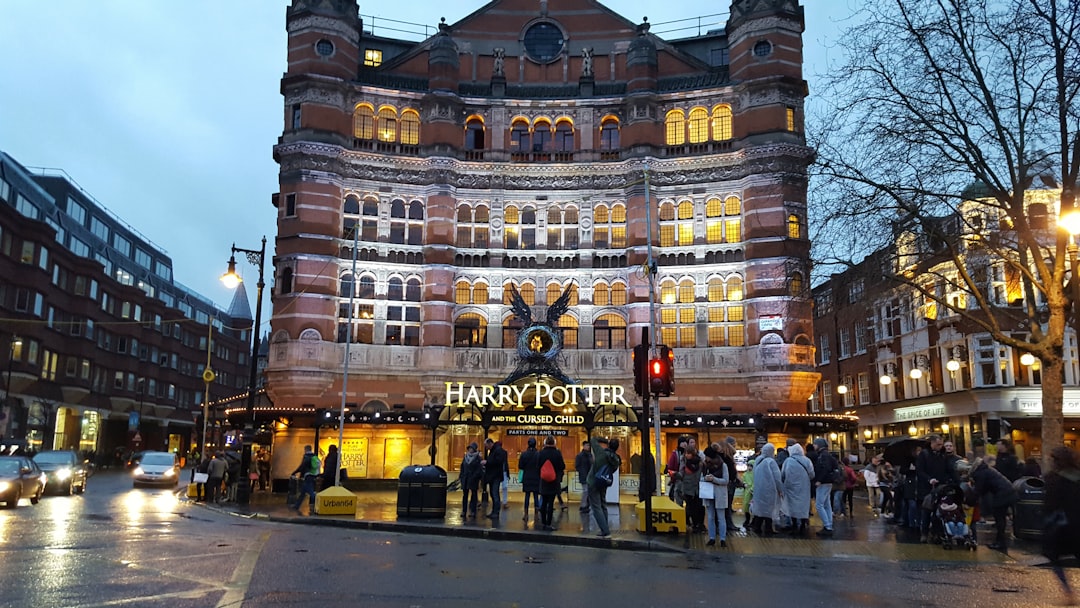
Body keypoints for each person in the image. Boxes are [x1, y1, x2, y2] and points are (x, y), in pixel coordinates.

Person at [1042, 447, 1080, 605]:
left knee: (1054, 557)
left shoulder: (1053, 479)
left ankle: (1068, 591)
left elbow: (1050, 504)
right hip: (1076, 524)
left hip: (1060, 526)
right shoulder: (1077, 476)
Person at [969, 456, 1017, 552]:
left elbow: (979, 490)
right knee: (1001, 518)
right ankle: (1000, 541)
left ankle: (1000, 542)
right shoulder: (985, 470)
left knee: (999, 518)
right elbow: (985, 489)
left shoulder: (980, 473)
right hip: (1008, 492)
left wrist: (970, 500)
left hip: (1002, 494)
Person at [916, 434, 955, 542]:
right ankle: (924, 533)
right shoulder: (924, 454)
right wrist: (929, 479)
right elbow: (920, 471)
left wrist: (950, 480)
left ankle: (936, 532)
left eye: (941, 444)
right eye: (938, 444)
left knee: (940, 511)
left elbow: (948, 470)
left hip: (940, 486)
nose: (940, 446)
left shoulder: (943, 455)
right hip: (926, 487)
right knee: (926, 511)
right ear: (932, 443)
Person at [587, 436, 621, 538]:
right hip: (604, 482)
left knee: (596, 507)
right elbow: (613, 470)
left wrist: (604, 440)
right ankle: (605, 527)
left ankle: (605, 530)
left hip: (593, 481)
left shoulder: (600, 452)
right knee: (603, 504)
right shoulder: (616, 459)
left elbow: (593, 439)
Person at [781, 442, 815, 536]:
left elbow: (782, 474)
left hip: (790, 487)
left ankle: (795, 525)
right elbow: (812, 474)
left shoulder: (788, 461)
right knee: (803, 506)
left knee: (792, 506)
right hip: (804, 487)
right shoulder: (807, 460)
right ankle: (803, 525)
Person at [749, 443, 782, 536]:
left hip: (758, 489)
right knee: (769, 508)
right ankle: (768, 528)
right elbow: (777, 477)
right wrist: (780, 489)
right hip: (770, 489)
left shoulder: (758, 460)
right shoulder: (771, 462)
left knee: (760, 508)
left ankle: (757, 527)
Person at [701, 444, 730, 547]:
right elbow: (701, 478)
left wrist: (714, 479)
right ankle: (712, 537)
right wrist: (706, 478)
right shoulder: (705, 465)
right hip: (708, 494)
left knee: (721, 517)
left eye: (707, 456)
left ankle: (722, 539)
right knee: (710, 517)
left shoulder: (723, 465)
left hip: (719, 494)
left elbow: (726, 480)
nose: (705, 458)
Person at [537, 436, 565, 531]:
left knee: (544, 503)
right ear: (554, 443)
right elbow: (562, 466)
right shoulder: (557, 453)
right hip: (554, 481)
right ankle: (549, 523)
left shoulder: (541, 453)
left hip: (544, 481)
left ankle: (543, 523)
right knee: (550, 503)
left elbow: (537, 466)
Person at [811, 437, 838, 537]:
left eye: (815, 444)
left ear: (819, 445)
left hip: (823, 482)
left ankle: (827, 526)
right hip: (828, 482)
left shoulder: (822, 456)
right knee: (826, 504)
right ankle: (829, 525)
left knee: (819, 505)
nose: (814, 446)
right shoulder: (827, 455)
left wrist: (819, 480)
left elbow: (824, 468)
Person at [679, 437, 705, 533]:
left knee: (698, 506)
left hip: (698, 487)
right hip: (688, 487)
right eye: (686, 453)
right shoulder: (684, 461)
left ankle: (698, 524)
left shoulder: (700, 462)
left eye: (689, 453)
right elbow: (681, 472)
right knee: (690, 506)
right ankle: (692, 523)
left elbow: (704, 471)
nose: (687, 455)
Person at [482, 438, 507, 519]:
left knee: (495, 493)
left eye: (486, 446)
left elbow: (497, 461)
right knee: (493, 494)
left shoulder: (498, 450)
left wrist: (487, 462)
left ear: (490, 444)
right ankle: (494, 511)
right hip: (493, 476)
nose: (486, 448)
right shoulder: (494, 450)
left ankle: (496, 512)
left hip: (495, 476)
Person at [290, 445, 320, 514]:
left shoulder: (306, 456)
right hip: (313, 475)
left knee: (310, 492)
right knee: (303, 492)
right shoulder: (314, 456)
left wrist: (295, 472)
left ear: (306, 449)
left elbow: (302, 466)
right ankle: (297, 505)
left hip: (308, 475)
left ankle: (317, 503)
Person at [518, 437, 541, 522]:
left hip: (527, 477)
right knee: (536, 496)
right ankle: (536, 514)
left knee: (527, 496)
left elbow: (520, 466)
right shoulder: (538, 454)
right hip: (536, 477)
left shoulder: (524, 454)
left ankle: (526, 514)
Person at [459, 442, 484, 518]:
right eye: (469, 448)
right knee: (465, 495)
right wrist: (462, 476)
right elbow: (462, 466)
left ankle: (473, 511)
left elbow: (479, 469)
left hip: (473, 479)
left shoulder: (478, 458)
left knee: (474, 495)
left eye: (472, 448)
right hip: (465, 478)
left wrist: (475, 476)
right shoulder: (465, 457)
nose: (470, 450)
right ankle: (464, 511)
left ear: (474, 449)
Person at [666, 436, 687, 504]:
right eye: (682, 442)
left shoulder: (688, 453)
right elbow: (670, 467)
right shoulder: (675, 454)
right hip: (678, 479)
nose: (684, 444)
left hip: (687, 479)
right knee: (678, 496)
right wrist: (675, 474)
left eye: (685, 442)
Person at [574, 440, 593, 513]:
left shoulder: (589, 455)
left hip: (588, 475)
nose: (588, 447)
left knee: (587, 491)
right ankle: (583, 505)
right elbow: (577, 466)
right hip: (584, 475)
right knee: (586, 491)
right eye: (587, 445)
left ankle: (585, 505)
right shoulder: (580, 456)